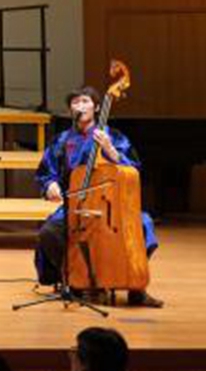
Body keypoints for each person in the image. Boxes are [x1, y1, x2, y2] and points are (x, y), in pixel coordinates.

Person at [35, 86, 160, 307]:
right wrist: (50, 185)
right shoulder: (62, 141)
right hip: (76, 204)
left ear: (97, 107)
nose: (80, 106)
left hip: (113, 205)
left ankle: (136, 287)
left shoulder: (114, 137)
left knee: (143, 224)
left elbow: (133, 170)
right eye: (75, 102)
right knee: (50, 231)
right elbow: (46, 172)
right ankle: (76, 278)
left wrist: (111, 151)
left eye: (85, 101)